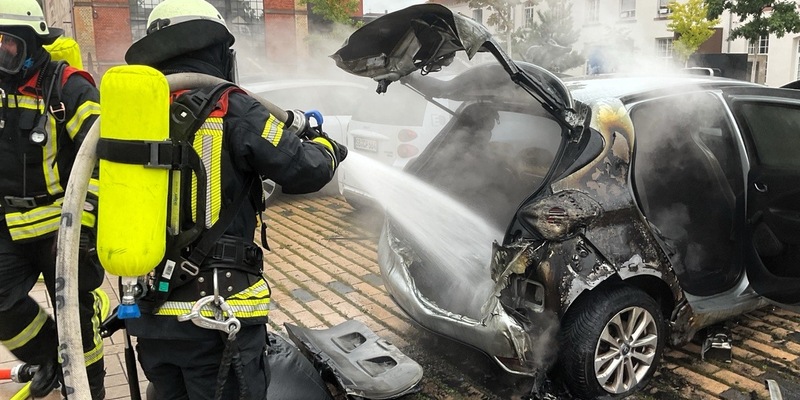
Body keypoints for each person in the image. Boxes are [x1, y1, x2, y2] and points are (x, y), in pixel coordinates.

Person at [120, 0, 347, 399]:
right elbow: (308, 169)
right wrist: (326, 144)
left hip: (151, 315)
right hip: (217, 315)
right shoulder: (230, 106)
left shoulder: (132, 117)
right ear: (216, 49)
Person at [0, 0, 106, 399]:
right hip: (7, 225)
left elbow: (102, 156)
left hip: (63, 228)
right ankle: (50, 356)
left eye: (5, 42)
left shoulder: (70, 88)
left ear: (31, 41)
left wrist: (85, 223)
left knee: (75, 320)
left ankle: (87, 389)